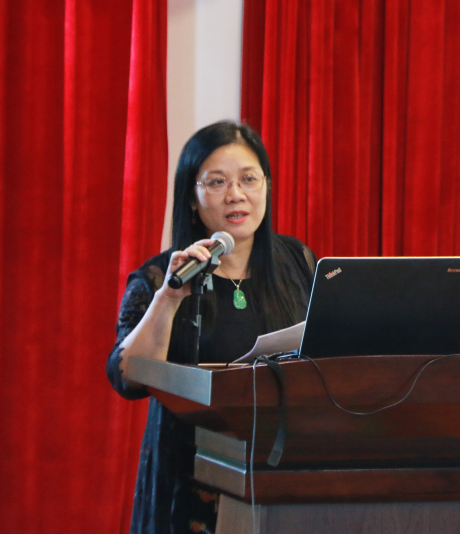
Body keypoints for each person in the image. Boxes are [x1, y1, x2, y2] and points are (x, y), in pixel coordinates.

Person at [106, 121, 316, 534]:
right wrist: (170, 297)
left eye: (249, 179)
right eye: (217, 182)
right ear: (191, 198)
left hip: (282, 475)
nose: (236, 194)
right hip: (188, 483)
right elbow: (126, 377)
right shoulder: (162, 277)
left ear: (266, 187)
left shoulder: (297, 261)